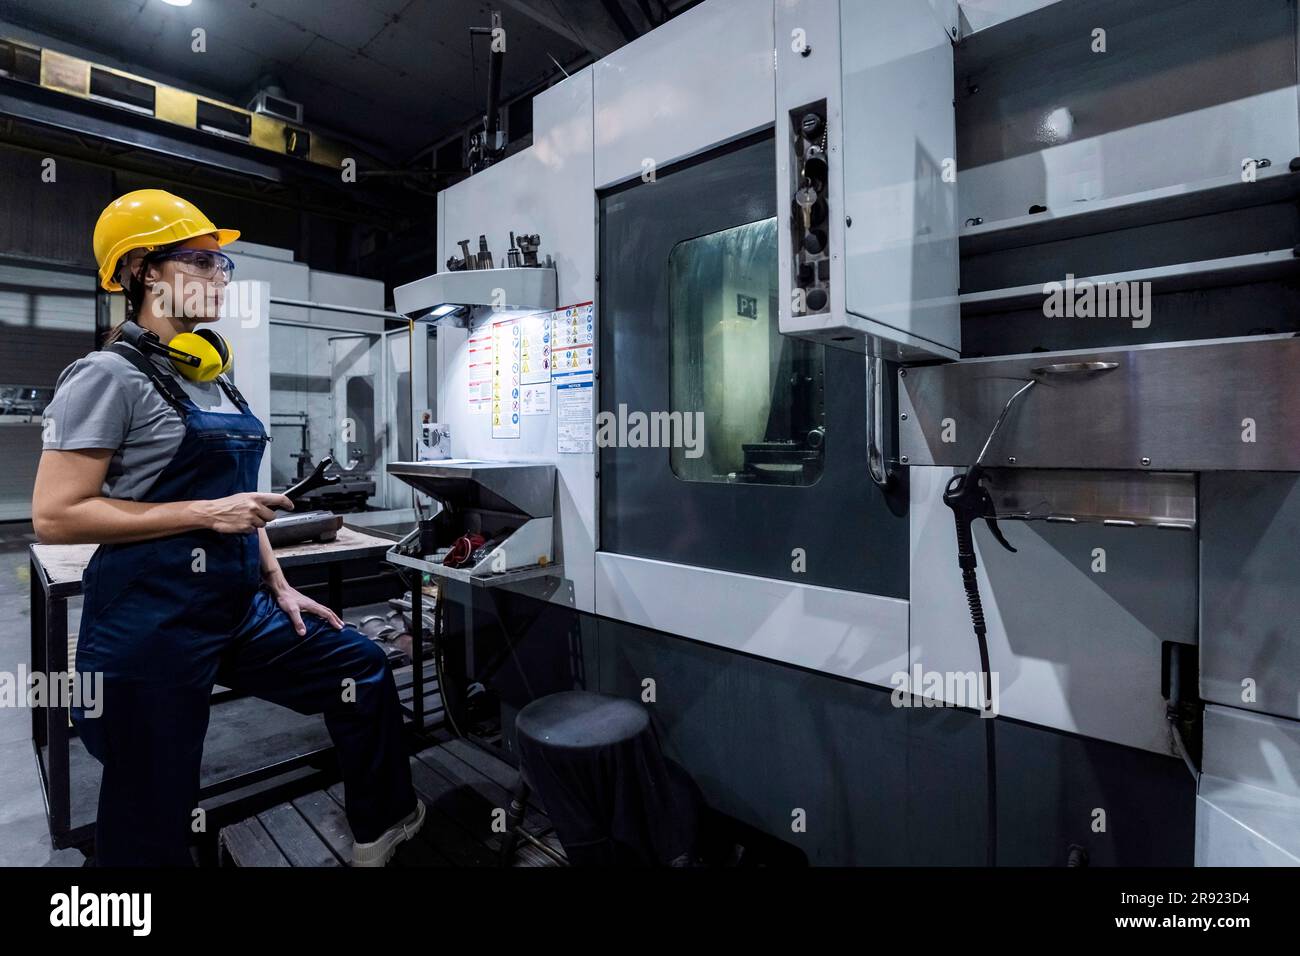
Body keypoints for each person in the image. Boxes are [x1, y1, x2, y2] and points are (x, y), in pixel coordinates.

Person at [32, 189, 424, 866]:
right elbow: (57, 514)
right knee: (152, 804)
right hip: (150, 618)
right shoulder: (105, 376)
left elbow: (236, 499)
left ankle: (382, 822)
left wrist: (277, 582)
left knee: (359, 666)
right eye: (203, 263)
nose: (221, 278)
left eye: (223, 266)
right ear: (142, 272)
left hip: (237, 606)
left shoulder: (214, 376)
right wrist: (207, 514)